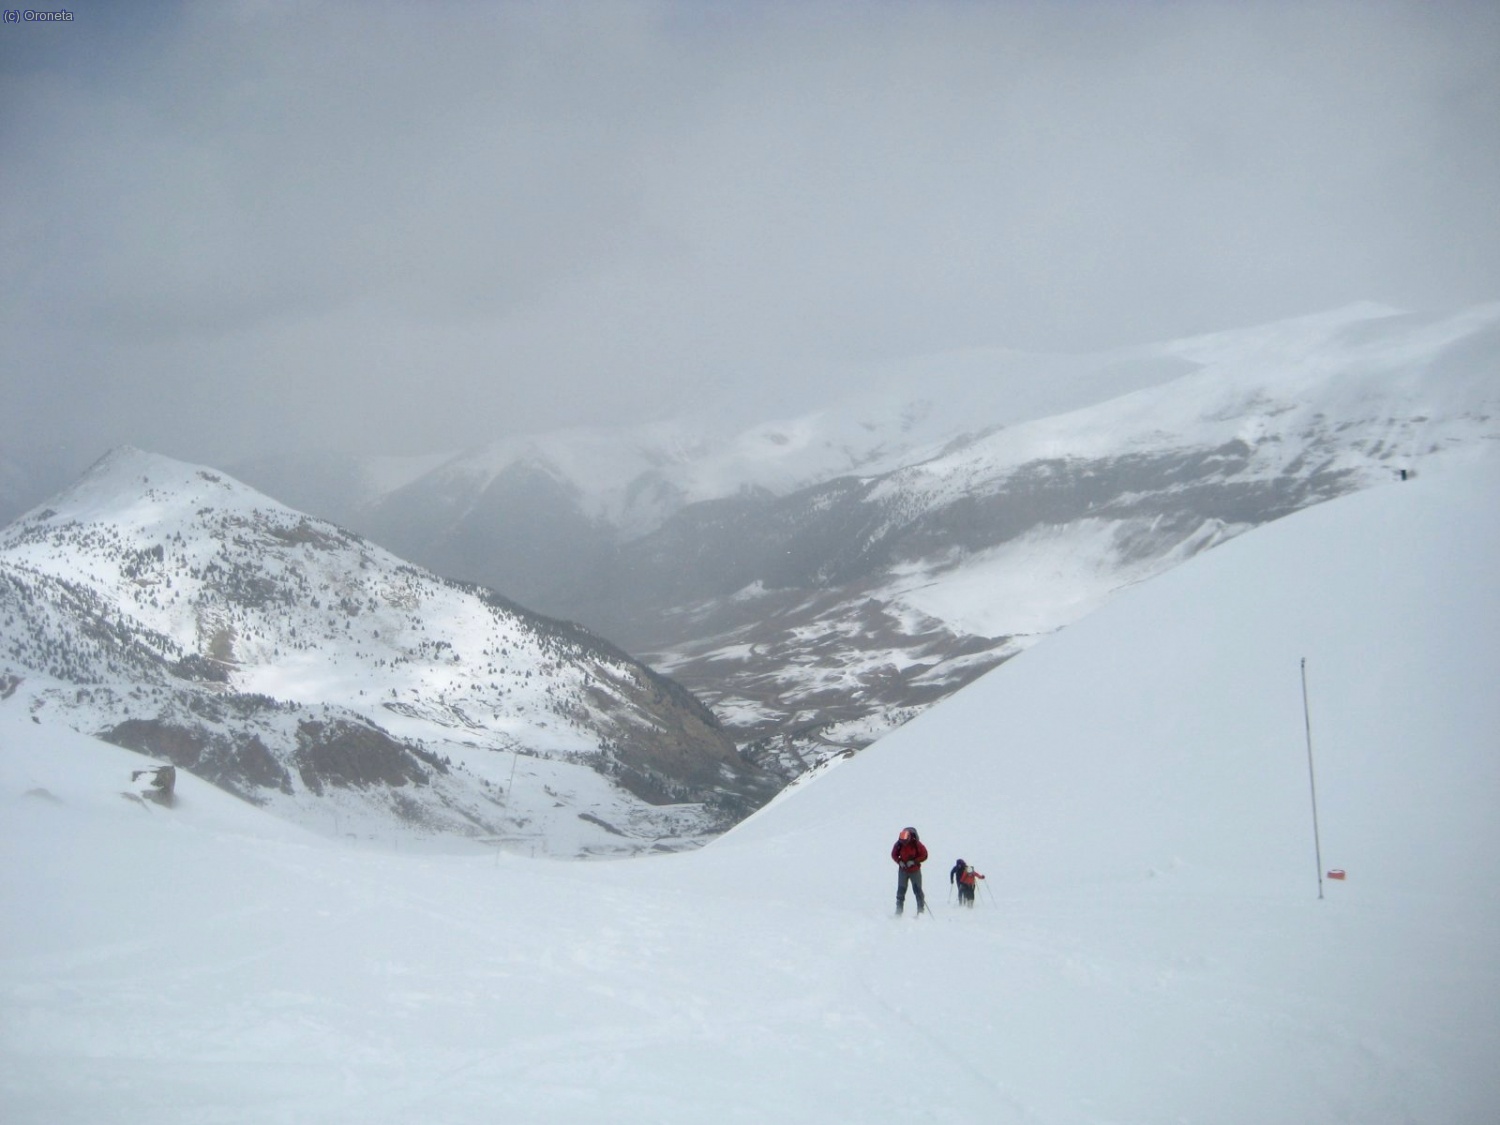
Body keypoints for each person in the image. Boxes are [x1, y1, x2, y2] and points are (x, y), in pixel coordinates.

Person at [891, 826, 928, 915]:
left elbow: (925, 855)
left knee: (917, 890)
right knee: (901, 890)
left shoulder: (917, 844)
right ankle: (899, 911)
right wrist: (899, 861)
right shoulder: (898, 844)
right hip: (903, 870)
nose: (903, 843)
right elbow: (893, 854)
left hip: (915, 870)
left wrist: (914, 861)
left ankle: (921, 910)